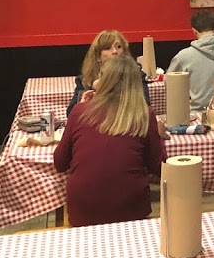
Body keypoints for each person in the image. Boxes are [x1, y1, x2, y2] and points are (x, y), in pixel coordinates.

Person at [53, 55, 166, 227]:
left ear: (103, 81)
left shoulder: (79, 111)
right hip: (131, 208)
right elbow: (159, 167)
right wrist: (159, 135)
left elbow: (60, 163)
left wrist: (80, 109)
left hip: (83, 209)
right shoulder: (144, 114)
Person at [67, 30, 149, 116]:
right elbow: (70, 114)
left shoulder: (138, 76)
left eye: (119, 46)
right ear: (98, 56)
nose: (115, 51)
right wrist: (93, 90)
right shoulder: (85, 80)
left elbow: (145, 106)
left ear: (125, 52)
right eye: (107, 48)